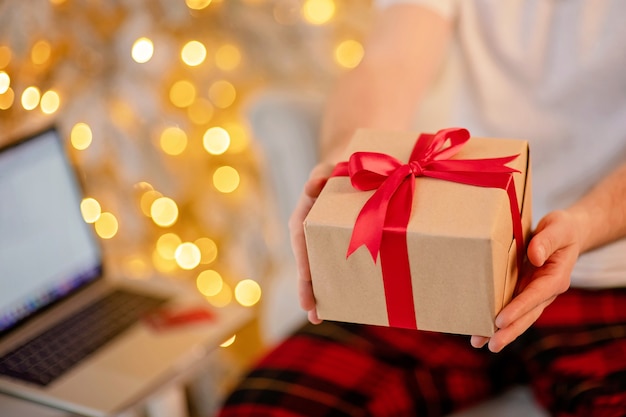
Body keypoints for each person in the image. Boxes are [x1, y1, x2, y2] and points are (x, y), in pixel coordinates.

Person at [218, 1, 626, 416]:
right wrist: (348, 165)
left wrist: (586, 224)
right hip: (450, 257)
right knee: (263, 408)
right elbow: (391, 59)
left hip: (612, 285)